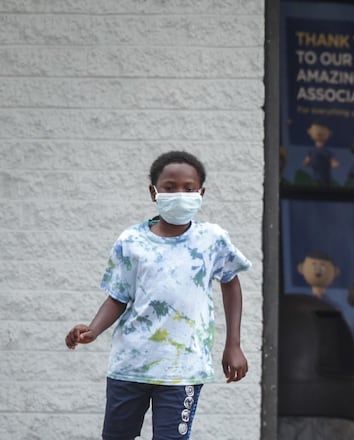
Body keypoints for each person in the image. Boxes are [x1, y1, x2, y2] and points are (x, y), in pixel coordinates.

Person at [65, 150, 252, 440]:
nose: (180, 193)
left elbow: (231, 283)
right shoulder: (131, 241)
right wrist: (93, 329)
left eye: (188, 188)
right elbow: (118, 297)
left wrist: (234, 344)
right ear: (154, 192)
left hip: (183, 368)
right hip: (130, 365)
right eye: (169, 187)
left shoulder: (212, 240)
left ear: (201, 193)